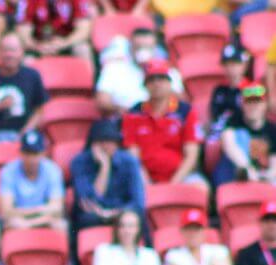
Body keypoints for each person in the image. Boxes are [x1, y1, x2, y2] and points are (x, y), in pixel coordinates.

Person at [121, 60, 207, 190]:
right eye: (151, 80)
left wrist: (173, 184)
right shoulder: (134, 114)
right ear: (145, 85)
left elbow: (191, 155)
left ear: (169, 83)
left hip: (179, 176)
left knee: (201, 188)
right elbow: (133, 154)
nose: (156, 84)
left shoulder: (185, 111)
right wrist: (146, 182)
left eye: (161, 79)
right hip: (144, 177)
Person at [71, 119, 146, 246]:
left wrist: (114, 213)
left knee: (139, 218)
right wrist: (104, 167)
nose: (107, 146)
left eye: (111, 142)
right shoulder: (80, 162)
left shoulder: (129, 162)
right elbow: (89, 201)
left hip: (122, 211)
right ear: (93, 144)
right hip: (94, 214)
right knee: (86, 218)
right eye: (102, 142)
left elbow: (138, 202)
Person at [96, 28, 185, 116]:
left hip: (160, 119)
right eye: (138, 48)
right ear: (130, 47)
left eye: (147, 48)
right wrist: (128, 111)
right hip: (123, 118)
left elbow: (181, 101)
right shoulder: (113, 68)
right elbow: (103, 101)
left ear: (155, 48)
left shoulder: (168, 71)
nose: (143, 52)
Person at [0, 129, 65, 230]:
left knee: (61, 225)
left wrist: (29, 223)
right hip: (21, 222)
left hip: (38, 220)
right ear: (20, 153)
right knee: (10, 223)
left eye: (35, 153)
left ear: (43, 153)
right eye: (27, 153)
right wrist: (42, 212)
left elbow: (57, 209)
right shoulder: (8, 171)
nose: (31, 159)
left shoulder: (53, 170)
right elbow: (6, 211)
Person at [213, 81, 276, 187]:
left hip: (262, 178)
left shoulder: (272, 129)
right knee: (241, 135)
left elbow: (274, 161)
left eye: (257, 101)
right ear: (243, 104)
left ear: (265, 104)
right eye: (249, 102)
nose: (253, 106)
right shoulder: (234, 121)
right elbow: (228, 143)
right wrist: (247, 168)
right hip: (233, 174)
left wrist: (267, 175)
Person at [14, 0, 95, 61]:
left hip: (66, 43)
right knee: (25, 58)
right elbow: (23, 31)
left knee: (83, 49)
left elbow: (84, 29)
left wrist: (65, 43)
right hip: (39, 44)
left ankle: (88, 83)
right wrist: (37, 46)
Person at [207, 44, 250, 139]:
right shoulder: (219, 90)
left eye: (234, 63)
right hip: (218, 134)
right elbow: (213, 116)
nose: (230, 68)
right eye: (226, 64)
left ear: (244, 65)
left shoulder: (251, 89)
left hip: (242, 135)